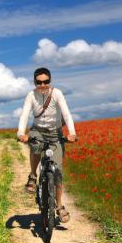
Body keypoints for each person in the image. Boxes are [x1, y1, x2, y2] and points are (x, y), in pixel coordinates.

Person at [17, 67, 76, 223]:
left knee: (57, 173)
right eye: (39, 82)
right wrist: (21, 133)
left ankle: (59, 206)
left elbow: (66, 114)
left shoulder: (57, 94)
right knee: (35, 146)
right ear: (35, 82)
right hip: (38, 130)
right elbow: (24, 114)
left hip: (55, 133)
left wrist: (72, 133)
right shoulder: (31, 95)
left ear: (50, 81)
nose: (42, 85)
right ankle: (33, 176)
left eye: (46, 82)